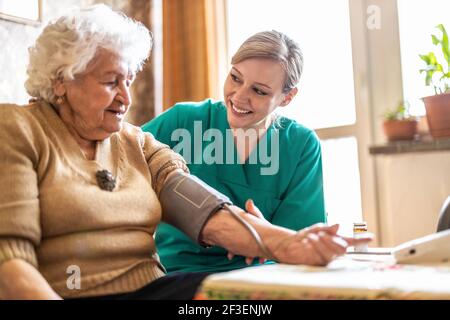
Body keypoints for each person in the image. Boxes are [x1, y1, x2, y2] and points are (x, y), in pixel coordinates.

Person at [0, 5, 370, 300]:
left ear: (286, 98)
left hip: (154, 290)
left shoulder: (136, 143)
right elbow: (9, 262)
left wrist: (289, 242)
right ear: (62, 79)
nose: (127, 98)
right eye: (111, 82)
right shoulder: (18, 129)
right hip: (68, 290)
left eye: (128, 81)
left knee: (254, 306)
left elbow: (207, 211)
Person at [142, 31, 326, 273]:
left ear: (287, 98)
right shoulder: (182, 121)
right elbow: (119, 159)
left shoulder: (301, 146)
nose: (239, 97)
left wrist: (264, 237)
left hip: (262, 280)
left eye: (259, 91)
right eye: (235, 78)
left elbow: (302, 247)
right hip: (177, 276)